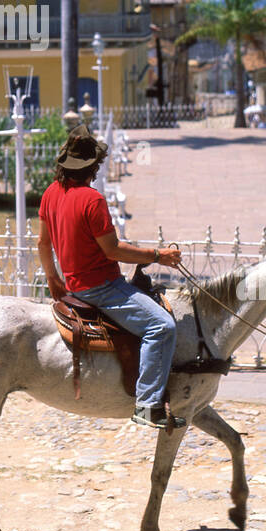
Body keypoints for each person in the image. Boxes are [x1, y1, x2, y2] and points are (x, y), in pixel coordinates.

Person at [37, 127, 184, 431]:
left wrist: (52, 277)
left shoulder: (51, 192)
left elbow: (42, 243)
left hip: (74, 286)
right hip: (101, 289)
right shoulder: (93, 200)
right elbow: (113, 250)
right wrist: (159, 256)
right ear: (93, 168)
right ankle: (147, 404)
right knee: (162, 326)